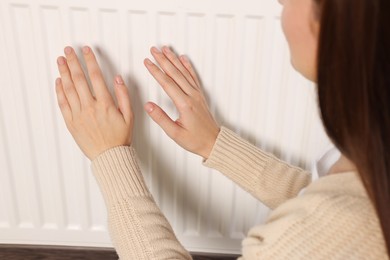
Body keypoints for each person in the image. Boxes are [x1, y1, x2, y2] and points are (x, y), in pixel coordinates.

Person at [54, 0, 389, 259]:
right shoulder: (370, 169)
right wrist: (216, 145)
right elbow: (329, 201)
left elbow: (329, 222)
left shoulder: (305, 242)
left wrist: (111, 157)